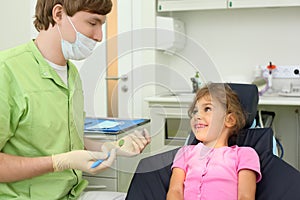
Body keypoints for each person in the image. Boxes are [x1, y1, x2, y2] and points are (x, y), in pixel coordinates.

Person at [0, 0, 150, 199]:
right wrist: (59, 162)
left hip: (72, 193)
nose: (99, 36)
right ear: (59, 14)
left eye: (102, 25)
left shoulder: (72, 75)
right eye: (93, 23)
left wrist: (112, 147)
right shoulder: (7, 71)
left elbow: (70, 136)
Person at [167, 83, 261, 200]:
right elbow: (175, 191)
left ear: (229, 120)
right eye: (195, 111)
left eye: (207, 109)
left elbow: (245, 197)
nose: (197, 116)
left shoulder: (244, 154)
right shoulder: (185, 152)